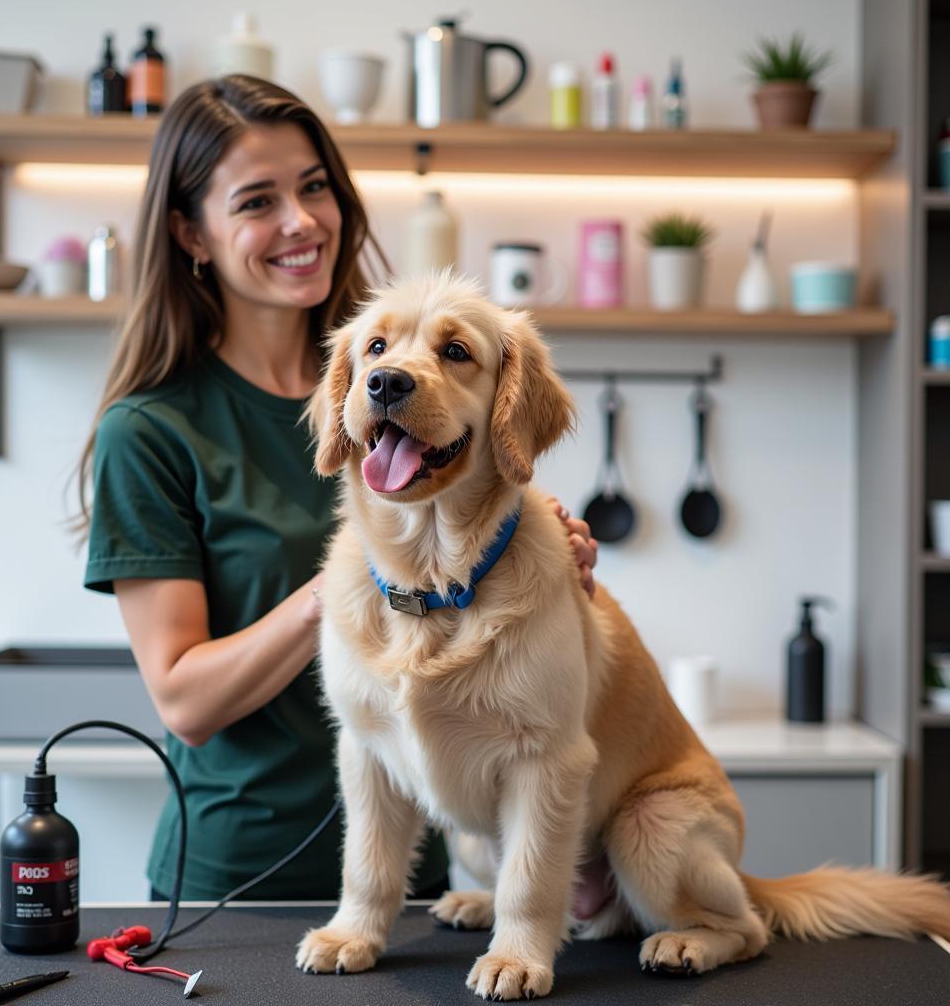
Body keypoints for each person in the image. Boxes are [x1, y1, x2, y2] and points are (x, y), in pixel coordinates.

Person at [76, 74, 599, 903]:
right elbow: (182, 697)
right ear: (192, 233)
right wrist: (352, 582)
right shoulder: (150, 431)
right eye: (256, 201)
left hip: (419, 882)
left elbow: (480, 538)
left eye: (314, 186)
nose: (302, 221)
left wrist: (530, 551)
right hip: (240, 879)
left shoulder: (415, 376)